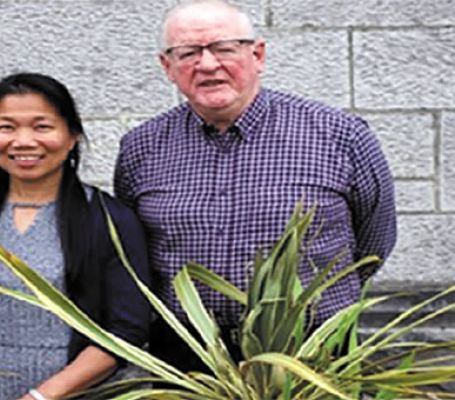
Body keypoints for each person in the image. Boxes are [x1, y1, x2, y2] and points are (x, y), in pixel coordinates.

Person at [113, 0, 397, 373]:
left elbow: (374, 242)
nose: (208, 64)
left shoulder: (339, 136)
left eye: (223, 48)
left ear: (257, 55)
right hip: (188, 359)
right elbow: (134, 246)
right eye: (188, 53)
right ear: (168, 67)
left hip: (311, 353)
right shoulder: (141, 147)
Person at [0, 72, 151, 400]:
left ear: (72, 135)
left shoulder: (109, 220)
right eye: (6, 127)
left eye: (42, 126)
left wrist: (40, 397)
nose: (24, 141)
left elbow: (126, 328)